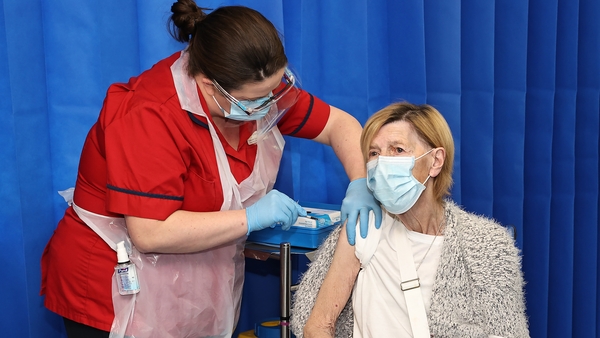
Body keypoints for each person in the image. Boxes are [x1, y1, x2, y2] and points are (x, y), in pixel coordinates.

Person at [40, 1, 380, 337]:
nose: (268, 106)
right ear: (207, 85)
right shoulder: (149, 114)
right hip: (114, 288)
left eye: (272, 93)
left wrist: (361, 182)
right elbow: (150, 232)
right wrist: (249, 219)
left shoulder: (253, 89)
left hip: (192, 278)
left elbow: (339, 125)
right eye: (255, 99)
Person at [290, 102, 530, 337]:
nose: (382, 162)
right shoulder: (365, 228)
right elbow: (317, 327)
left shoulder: (485, 245)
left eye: (398, 150)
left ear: (435, 161)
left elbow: (508, 330)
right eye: (374, 153)